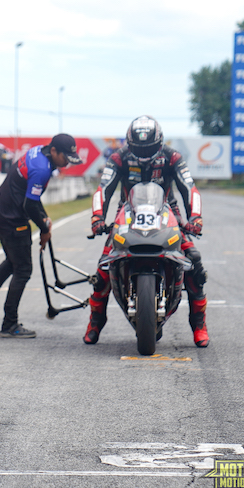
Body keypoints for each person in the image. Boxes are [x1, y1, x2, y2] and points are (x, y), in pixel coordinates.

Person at [84, 115, 209, 347]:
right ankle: (94, 323)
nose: (143, 155)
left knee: (194, 264)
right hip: (127, 215)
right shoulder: (118, 157)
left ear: (159, 143)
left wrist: (195, 218)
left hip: (168, 215)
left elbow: (189, 188)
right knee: (103, 268)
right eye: (138, 149)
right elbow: (104, 189)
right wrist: (97, 217)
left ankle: (199, 326)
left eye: (149, 148)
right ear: (130, 144)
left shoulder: (173, 157)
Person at [0, 134, 82, 338]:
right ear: (55, 151)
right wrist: (45, 228)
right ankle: (9, 324)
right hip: (12, 219)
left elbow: (31, 196)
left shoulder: (39, 152)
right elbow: (29, 204)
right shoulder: (42, 169)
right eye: (65, 158)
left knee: (14, 262)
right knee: (23, 268)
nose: (66, 163)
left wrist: (45, 219)